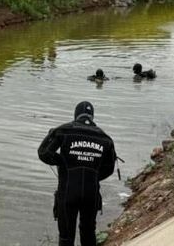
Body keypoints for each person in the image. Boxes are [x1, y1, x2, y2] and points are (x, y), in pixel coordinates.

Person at [38, 101, 117, 246]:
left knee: (66, 237)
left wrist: (63, 163)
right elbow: (109, 168)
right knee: (88, 233)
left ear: (75, 115)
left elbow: (43, 152)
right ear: (92, 116)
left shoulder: (63, 130)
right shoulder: (105, 138)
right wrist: (92, 175)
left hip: (68, 192)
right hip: (91, 194)